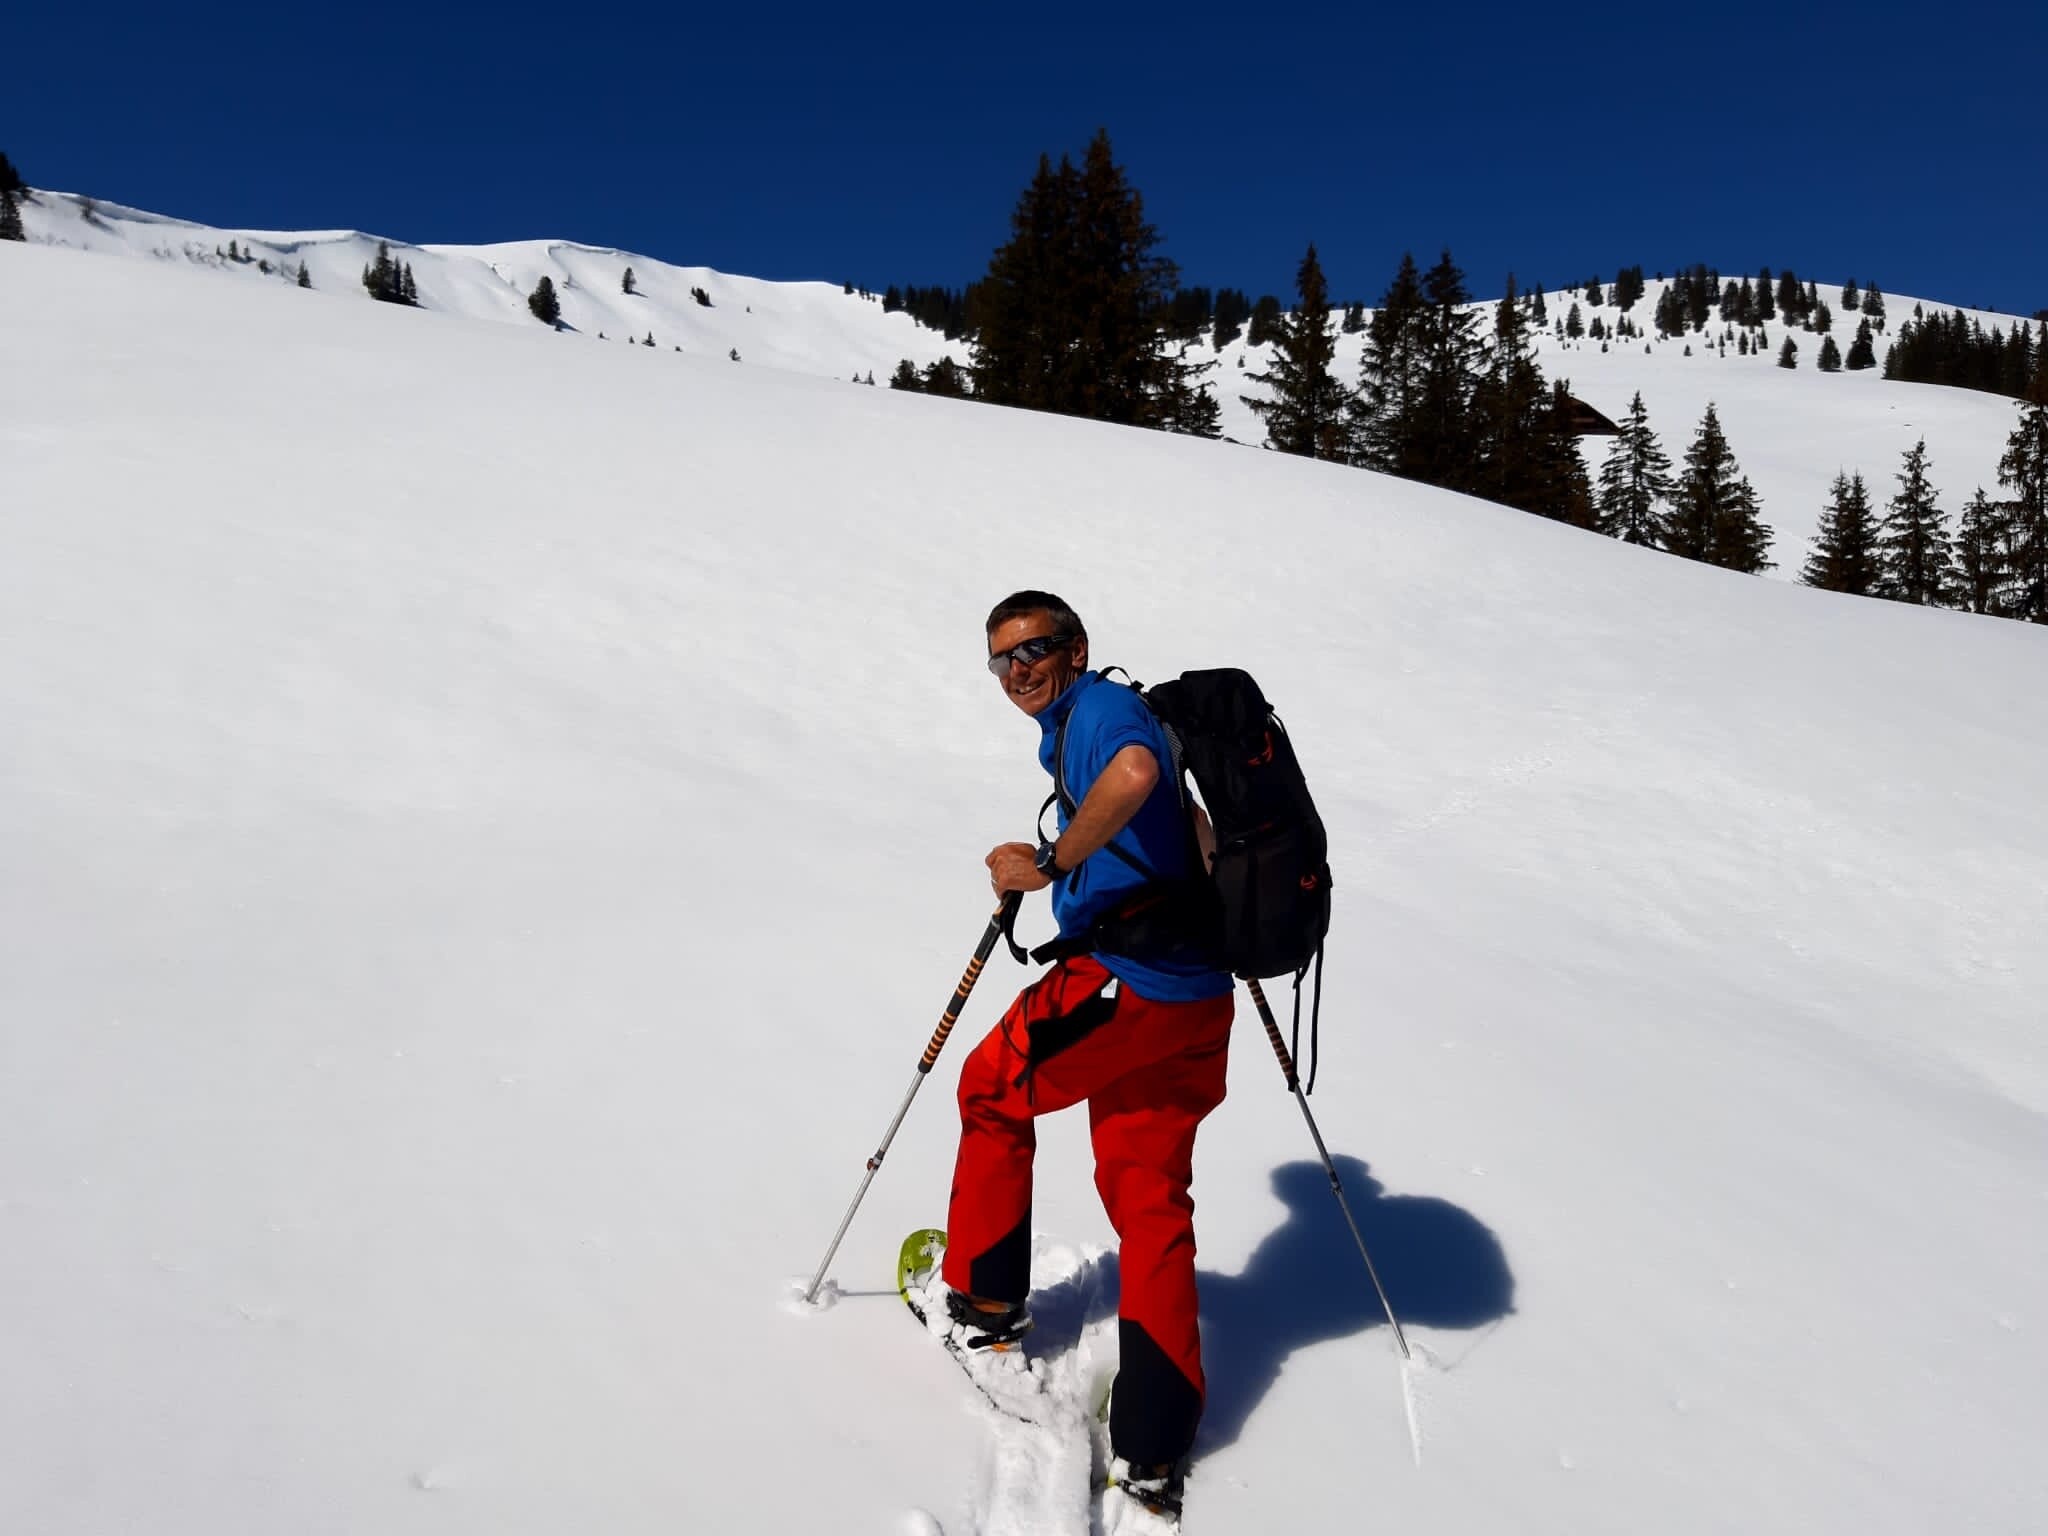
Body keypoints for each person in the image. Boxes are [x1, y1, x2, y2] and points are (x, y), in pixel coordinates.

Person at [939, 589, 1234, 1517]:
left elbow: (1140, 774)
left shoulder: (1107, 715)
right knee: (1151, 1199)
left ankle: (985, 1303)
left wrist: (1054, 863)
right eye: (1002, 660)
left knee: (992, 1089)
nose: (1019, 671)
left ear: (1076, 646)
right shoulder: (1100, 711)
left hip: (1124, 985)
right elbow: (1196, 830)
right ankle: (1153, 1445)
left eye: (1035, 650)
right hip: (1194, 997)